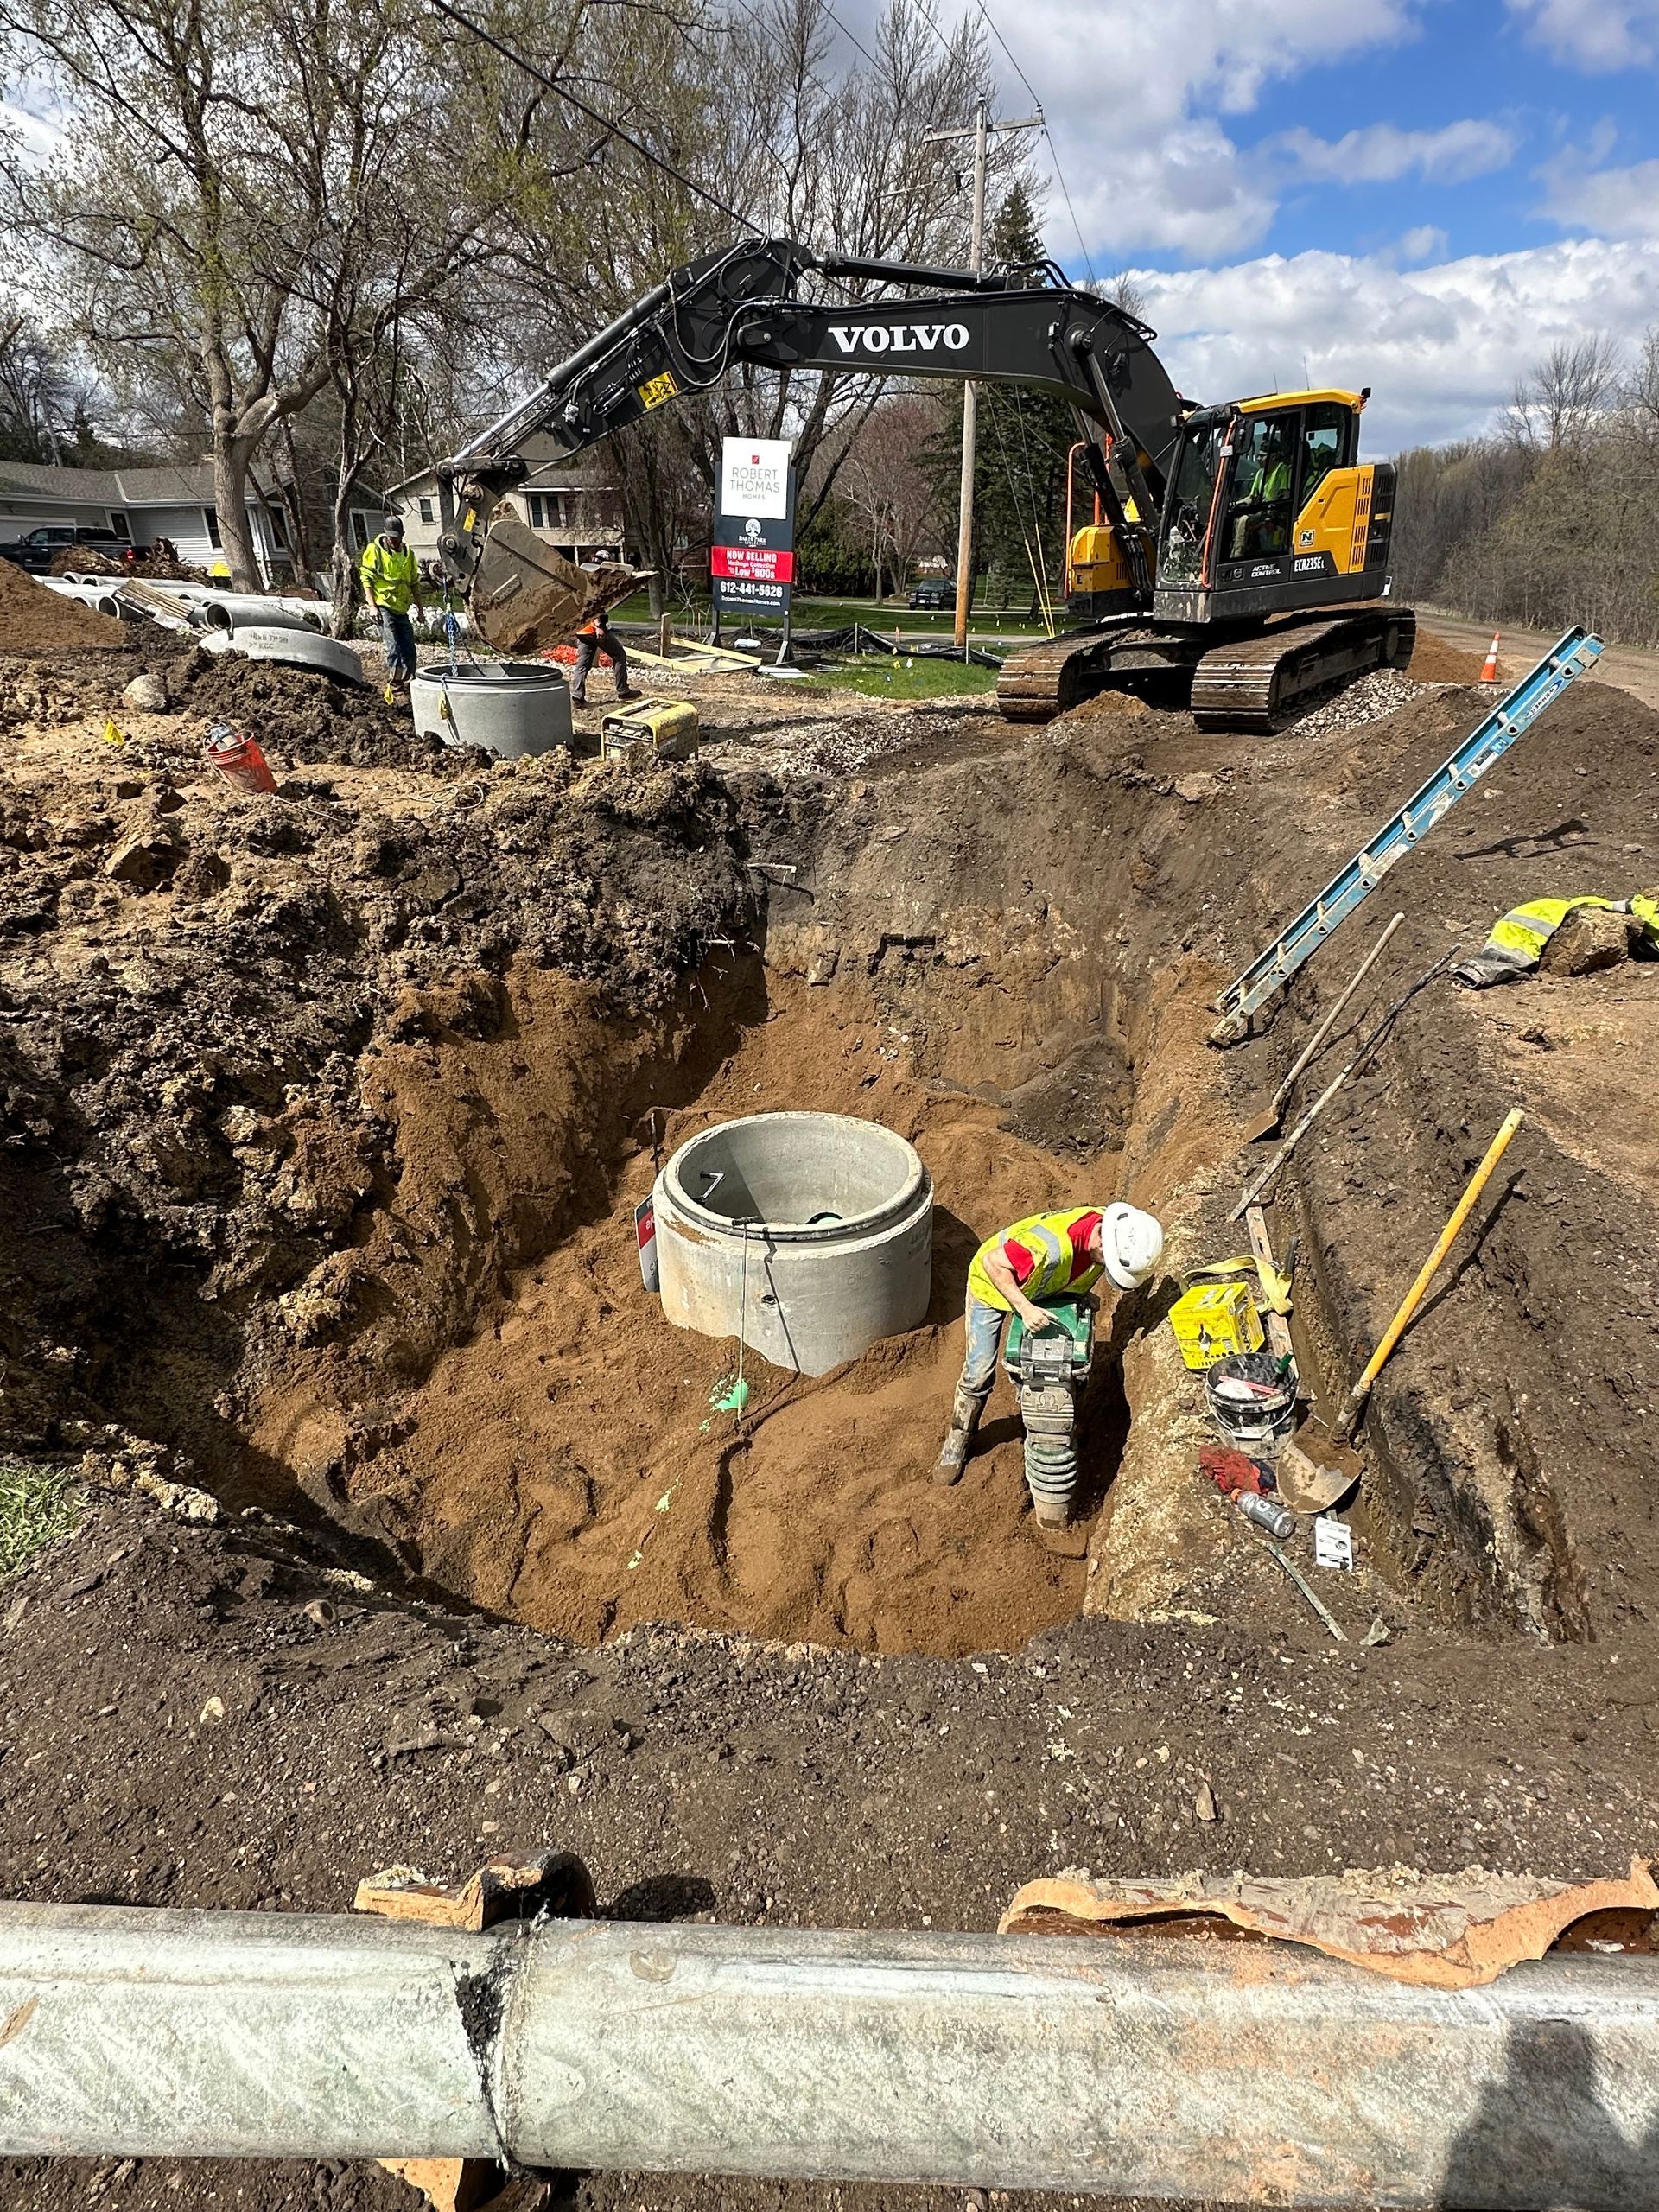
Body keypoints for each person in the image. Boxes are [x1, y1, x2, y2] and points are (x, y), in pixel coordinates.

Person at [936, 1203, 1164, 1484]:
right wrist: (1024, 1308)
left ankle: (1049, 1409)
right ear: (1103, 1244)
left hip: (1042, 1284)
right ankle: (958, 1437)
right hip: (993, 1284)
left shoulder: (1113, 1229)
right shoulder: (1045, 1248)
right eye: (1110, 1264)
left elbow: (1074, 1267)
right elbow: (993, 1263)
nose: (1106, 1270)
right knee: (979, 1373)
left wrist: (1077, 1296)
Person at [359, 516, 425, 698]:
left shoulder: (408, 554)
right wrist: (372, 606)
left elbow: (414, 583)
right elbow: (366, 578)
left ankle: (408, 683)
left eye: (396, 537)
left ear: (402, 535)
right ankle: (396, 687)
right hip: (383, 606)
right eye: (390, 536)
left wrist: (420, 610)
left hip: (401, 608)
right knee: (393, 647)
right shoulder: (375, 551)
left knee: (409, 649)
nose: (392, 540)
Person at [570, 605, 639, 708]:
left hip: (582, 632)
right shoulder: (592, 590)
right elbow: (597, 607)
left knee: (582, 665)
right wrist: (600, 626)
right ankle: (623, 691)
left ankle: (577, 696)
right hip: (594, 630)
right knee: (619, 655)